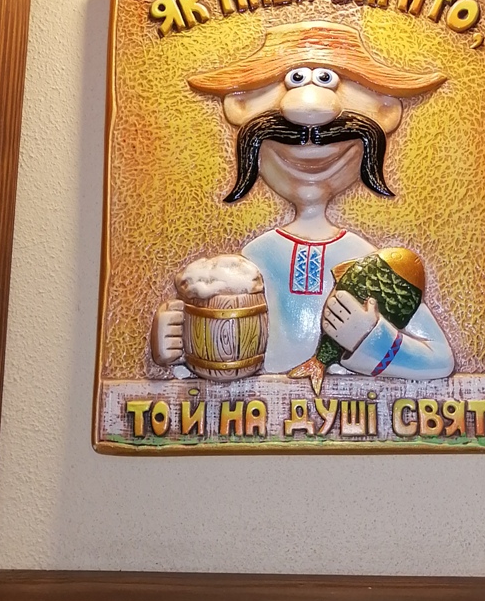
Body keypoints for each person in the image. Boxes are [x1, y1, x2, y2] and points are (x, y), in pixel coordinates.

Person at [151, 19, 454, 380]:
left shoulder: (366, 262)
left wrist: (370, 337)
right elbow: (228, 345)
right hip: (260, 411)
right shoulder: (254, 259)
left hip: (351, 411)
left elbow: (439, 360)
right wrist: (181, 345)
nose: (309, 137)